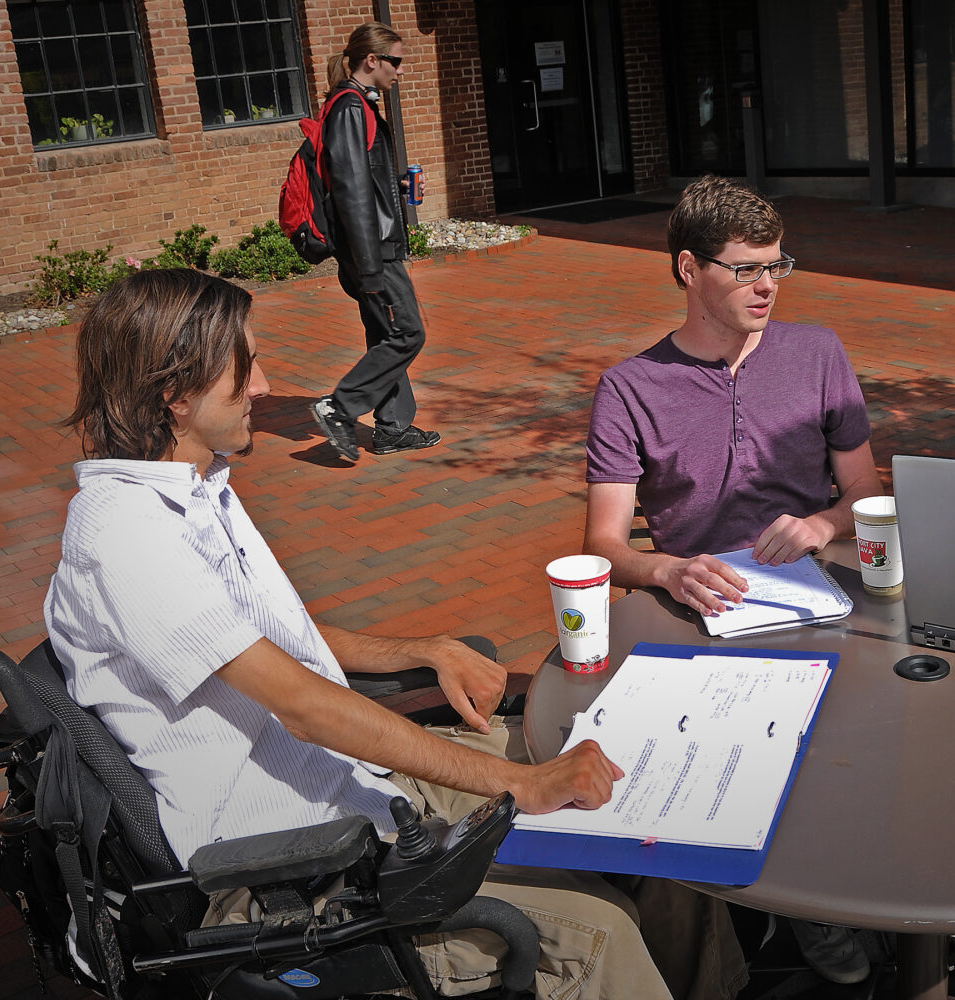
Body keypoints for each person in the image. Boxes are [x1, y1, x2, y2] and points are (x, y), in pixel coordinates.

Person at [44, 268, 679, 1000]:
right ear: (173, 393)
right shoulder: (127, 537)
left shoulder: (194, 489)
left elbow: (269, 631)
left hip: (351, 787)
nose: (263, 385)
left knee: (646, 823)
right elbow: (304, 705)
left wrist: (419, 651)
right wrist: (520, 785)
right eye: (244, 368)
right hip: (296, 866)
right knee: (601, 930)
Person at [582, 175, 882, 986]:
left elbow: (867, 494)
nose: (766, 287)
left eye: (778, 267)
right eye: (746, 269)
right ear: (688, 268)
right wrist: (668, 569)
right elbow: (605, 543)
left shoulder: (818, 352)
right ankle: (793, 917)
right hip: (698, 616)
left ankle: (827, 901)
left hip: (816, 595)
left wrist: (825, 523)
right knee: (720, 780)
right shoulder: (631, 388)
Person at [310, 21, 441, 461]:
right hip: (371, 249)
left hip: (371, 244)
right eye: (396, 62)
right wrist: (368, 264)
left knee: (385, 331)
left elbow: (363, 180)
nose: (399, 72)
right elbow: (348, 190)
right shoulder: (350, 108)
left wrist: (395, 183)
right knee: (407, 332)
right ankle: (339, 406)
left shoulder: (358, 106)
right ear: (372, 60)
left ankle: (392, 428)